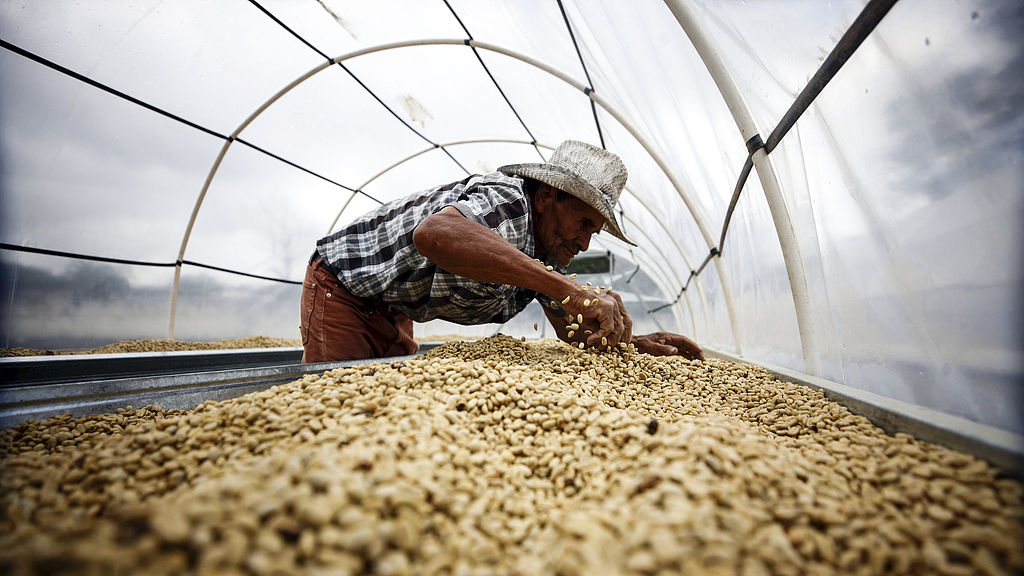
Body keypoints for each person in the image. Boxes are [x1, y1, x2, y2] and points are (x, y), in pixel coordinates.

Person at [300, 140, 704, 363]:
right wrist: (563, 285)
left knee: (381, 400)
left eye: (593, 233)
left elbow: (571, 329)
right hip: (346, 286)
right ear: (547, 196)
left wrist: (626, 343)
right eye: (583, 225)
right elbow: (435, 233)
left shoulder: (547, 254)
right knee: (338, 404)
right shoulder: (508, 201)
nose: (584, 244)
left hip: (394, 306)